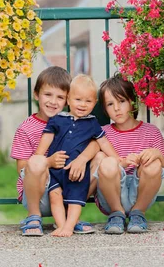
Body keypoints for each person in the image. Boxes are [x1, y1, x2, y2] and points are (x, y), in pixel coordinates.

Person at [10, 67, 100, 236]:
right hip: (38, 195)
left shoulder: (76, 122)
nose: (53, 102)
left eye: (60, 97)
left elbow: (97, 143)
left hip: (69, 187)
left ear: (68, 99)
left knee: (100, 158)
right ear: (37, 94)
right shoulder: (26, 128)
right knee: (36, 161)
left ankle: (70, 218)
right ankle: (33, 216)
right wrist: (48, 162)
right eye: (48, 95)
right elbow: (22, 168)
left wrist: (81, 159)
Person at [35, 74, 119, 237]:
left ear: (94, 103)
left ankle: (69, 226)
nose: (82, 104)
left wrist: (117, 158)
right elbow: (46, 138)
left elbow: (103, 142)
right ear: (68, 100)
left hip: (77, 173)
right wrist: (39, 159)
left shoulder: (92, 122)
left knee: (75, 201)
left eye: (88, 101)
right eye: (78, 99)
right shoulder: (57, 119)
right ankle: (60, 225)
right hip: (56, 170)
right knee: (55, 196)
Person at [95, 74, 164, 234]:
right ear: (105, 108)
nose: (116, 108)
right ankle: (116, 214)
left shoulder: (151, 131)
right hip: (110, 196)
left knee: (154, 163)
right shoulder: (102, 134)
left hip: (141, 195)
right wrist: (121, 164)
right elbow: (96, 167)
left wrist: (157, 154)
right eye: (110, 104)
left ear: (132, 102)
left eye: (122, 101)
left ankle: (138, 213)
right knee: (106, 161)